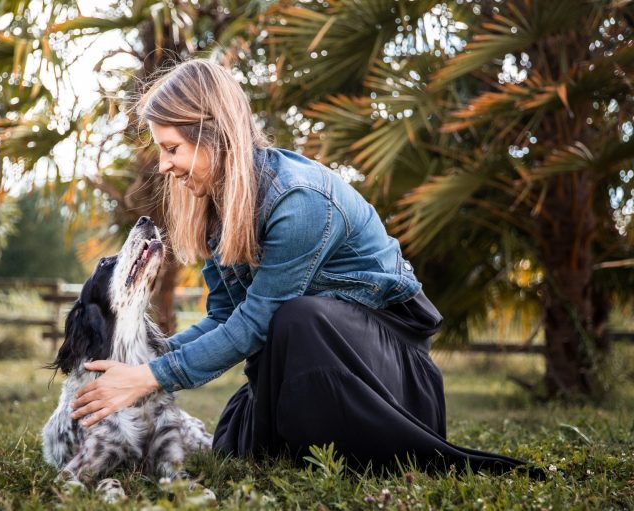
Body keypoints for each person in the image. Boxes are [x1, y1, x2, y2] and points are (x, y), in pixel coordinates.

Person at [69, 58, 528, 474]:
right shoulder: (217, 211)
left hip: (387, 375)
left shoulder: (298, 200)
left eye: (172, 149)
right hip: (301, 359)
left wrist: (150, 377)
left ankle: (372, 443)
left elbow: (255, 323)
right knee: (233, 442)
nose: (165, 165)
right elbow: (224, 317)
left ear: (214, 136)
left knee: (297, 317)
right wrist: (145, 360)